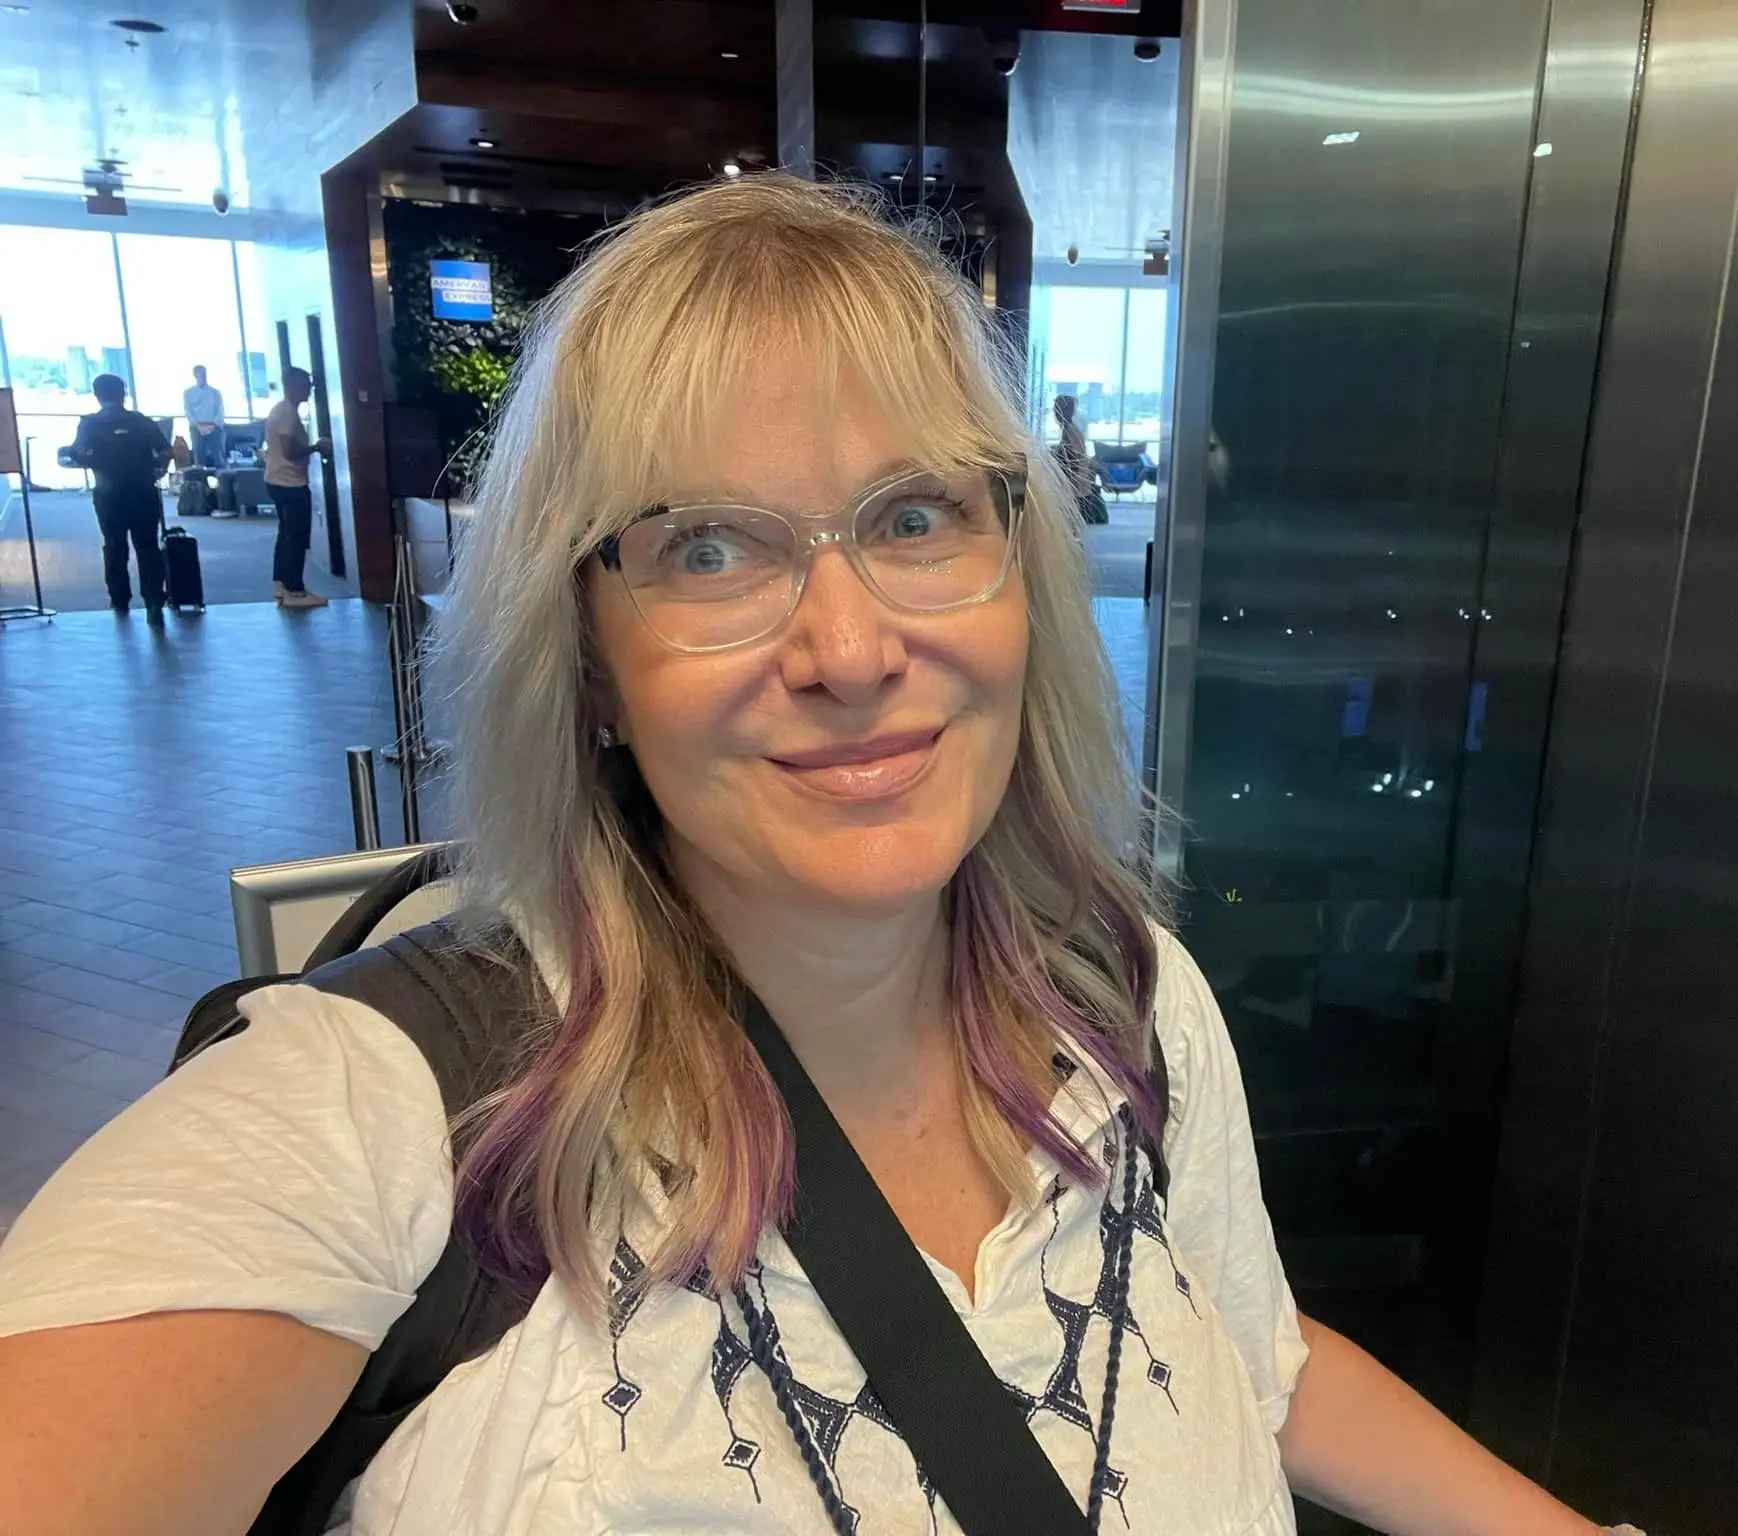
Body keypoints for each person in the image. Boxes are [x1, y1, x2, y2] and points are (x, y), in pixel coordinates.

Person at [0, 178, 1633, 1536]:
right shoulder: (401, 1113)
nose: (848, 647)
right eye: (708, 547)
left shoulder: (1113, 992)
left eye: (915, 516)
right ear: (582, 651)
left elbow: (1247, 1352)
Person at [67, 373, 170, 625]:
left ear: (97, 395)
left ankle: (120, 600)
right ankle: (154, 602)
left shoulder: (90, 424)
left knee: (114, 546)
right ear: (123, 393)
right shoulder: (142, 421)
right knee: (147, 546)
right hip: (144, 491)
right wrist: (158, 469)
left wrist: (93, 461)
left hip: (108, 494)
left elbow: (77, 453)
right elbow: (166, 451)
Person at [264, 366, 328, 608]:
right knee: (296, 537)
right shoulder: (287, 414)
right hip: (289, 483)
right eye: (305, 384)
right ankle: (295, 590)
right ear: (291, 385)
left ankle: (281, 584)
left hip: (277, 479)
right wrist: (316, 447)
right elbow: (290, 451)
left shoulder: (281, 410)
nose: (309, 389)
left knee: (286, 535)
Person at [1054, 392, 1107, 525]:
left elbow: (1072, 460)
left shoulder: (1070, 431)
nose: (1054, 414)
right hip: (1077, 482)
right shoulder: (1070, 430)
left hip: (1075, 485)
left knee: (1072, 522)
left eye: (1056, 409)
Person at [184, 363, 227, 471]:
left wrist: (213, 425)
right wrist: (199, 426)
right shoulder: (188, 393)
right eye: (201, 374)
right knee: (199, 455)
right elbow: (188, 411)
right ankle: (200, 483)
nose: (203, 376)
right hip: (197, 427)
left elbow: (220, 410)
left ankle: (222, 479)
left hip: (214, 426)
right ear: (195, 375)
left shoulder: (215, 392)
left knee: (218, 455)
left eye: (205, 373)